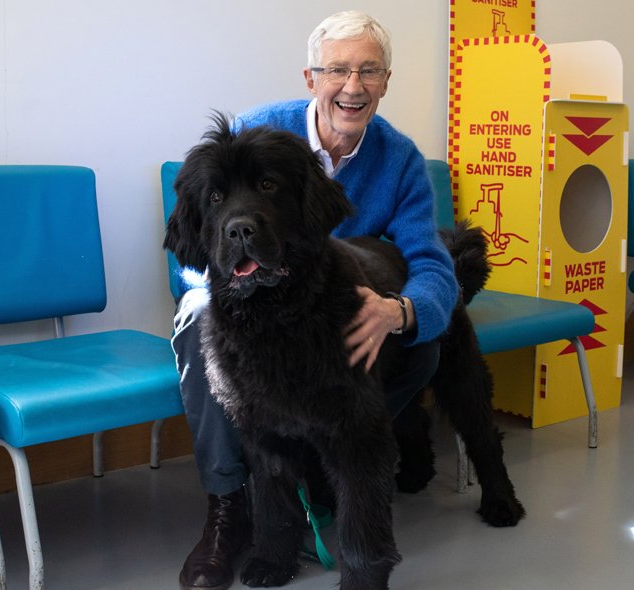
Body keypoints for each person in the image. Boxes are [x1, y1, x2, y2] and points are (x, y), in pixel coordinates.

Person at [171, 11, 457, 590]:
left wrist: (401, 312)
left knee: (419, 342)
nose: (352, 86)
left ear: (385, 81)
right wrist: (229, 285)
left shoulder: (399, 159)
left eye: (368, 71)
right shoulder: (254, 134)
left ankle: (333, 474)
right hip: (236, 300)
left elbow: (429, 262)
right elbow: (193, 245)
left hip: (326, 299)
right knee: (202, 319)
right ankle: (228, 508)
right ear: (311, 78)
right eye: (337, 70)